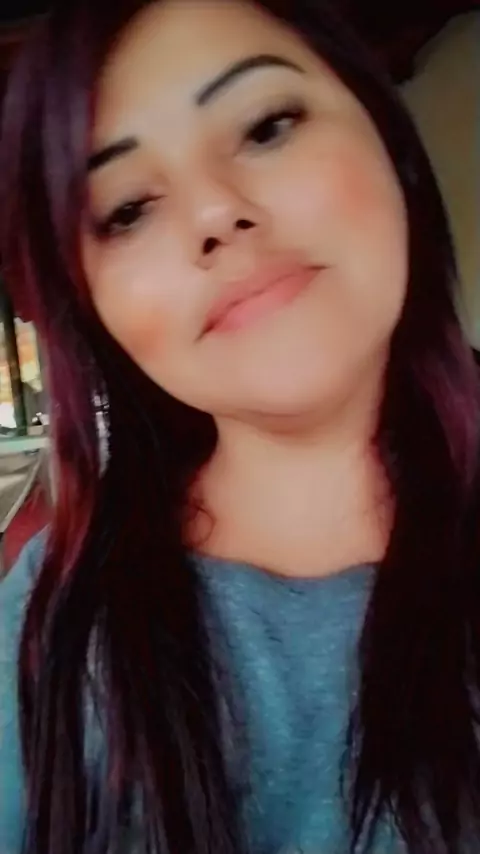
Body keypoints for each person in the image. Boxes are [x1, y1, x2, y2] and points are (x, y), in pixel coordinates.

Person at [0, 0, 479, 852]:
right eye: (127, 209)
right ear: (92, 313)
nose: (217, 212)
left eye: (267, 127)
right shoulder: (51, 624)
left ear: (392, 147)